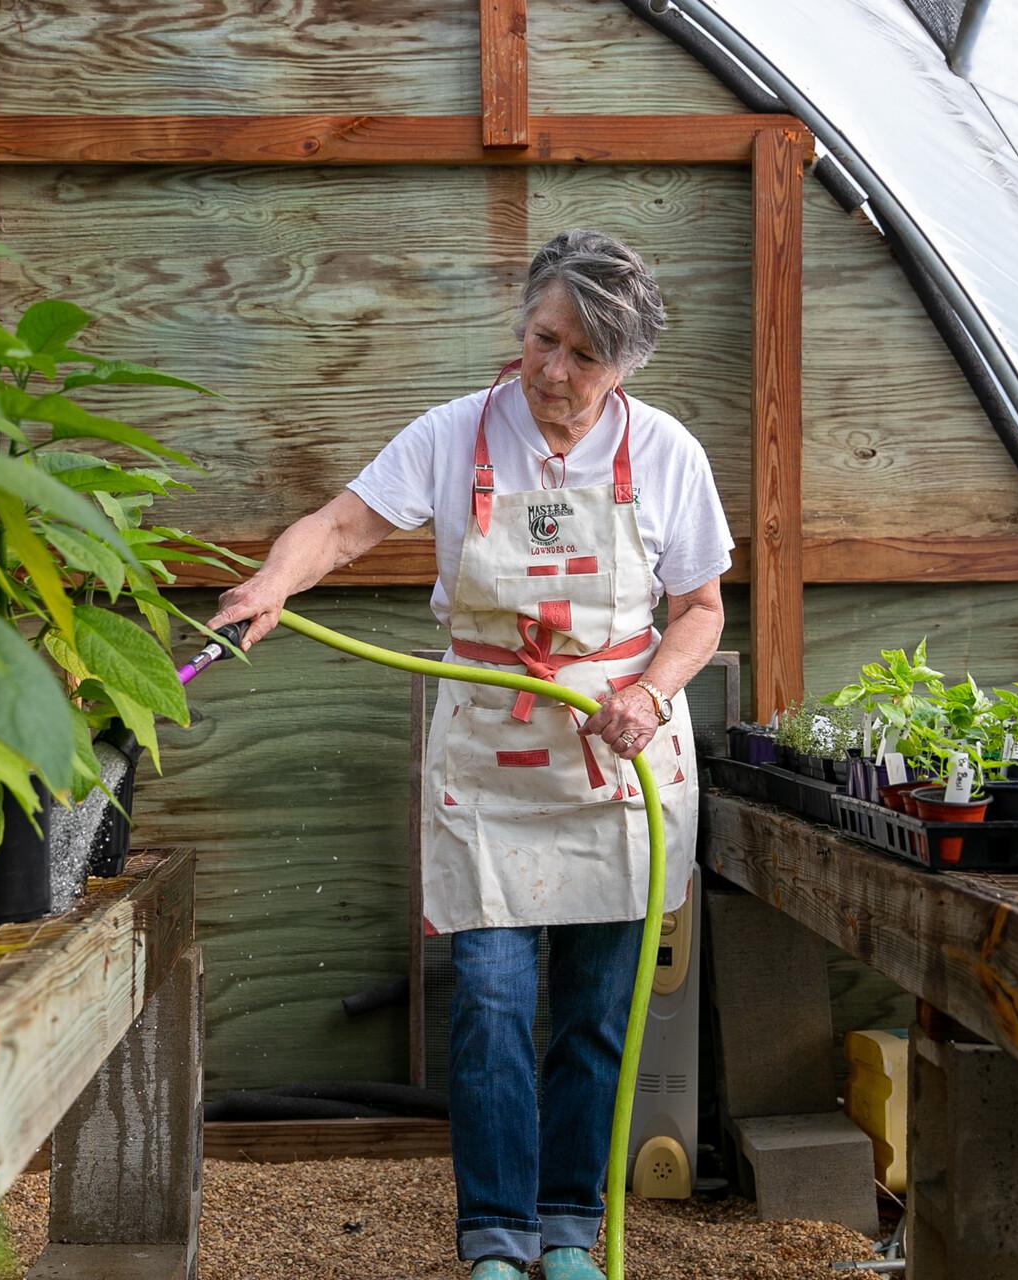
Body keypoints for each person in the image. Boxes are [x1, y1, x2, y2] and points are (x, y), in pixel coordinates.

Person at [207, 229, 731, 1280]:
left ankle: (570, 1226)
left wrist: (647, 691)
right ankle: (495, 1234)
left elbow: (701, 609)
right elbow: (344, 525)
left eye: (584, 355)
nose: (552, 370)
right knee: (490, 996)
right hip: (492, 758)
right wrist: (272, 580)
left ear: (624, 363)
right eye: (542, 338)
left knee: (594, 1010)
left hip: (613, 759)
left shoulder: (664, 450)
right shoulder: (457, 434)